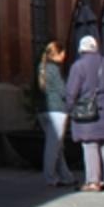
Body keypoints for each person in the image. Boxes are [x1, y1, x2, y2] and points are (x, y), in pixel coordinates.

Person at [65, 34, 104, 192]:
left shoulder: (78, 66)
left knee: (90, 145)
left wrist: (70, 108)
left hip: (87, 110)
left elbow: (71, 91)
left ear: (81, 49)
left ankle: (93, 181)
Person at [35, 41, 74, 187]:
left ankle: (66, 176)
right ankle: (50, 177)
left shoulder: (41, 67)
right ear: (57, 54)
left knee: (57, 145)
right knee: (53, 146)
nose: (65, 56)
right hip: (56, 110)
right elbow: (62, 90)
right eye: (63, 53)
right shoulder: (54, 69)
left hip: (43, 110)